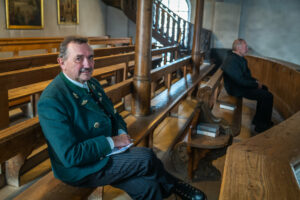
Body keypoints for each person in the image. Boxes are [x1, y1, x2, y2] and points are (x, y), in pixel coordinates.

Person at [38, 36, 206, 200]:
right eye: (78, 59)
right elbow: (70, 155)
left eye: (90, 58)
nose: (87, 65)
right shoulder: (53, 99)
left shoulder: (91, 83)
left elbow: (114, 115)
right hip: (83, 168)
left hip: (107, 153)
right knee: (146, 157)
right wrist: (113, 141)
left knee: (149, 187)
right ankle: (176, 186)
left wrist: (120, 133)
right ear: (61, 62)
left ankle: (170, 187)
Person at [221, 38, 273, 133]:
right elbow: (240, 80)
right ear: (238, 48)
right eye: (246, 47)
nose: (247, 49)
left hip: (240, 86)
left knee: (265, 89)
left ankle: (258, 120)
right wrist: (254, 85)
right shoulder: (232, 60)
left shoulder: (239, 58)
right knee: (268, 96)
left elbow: (246, 76)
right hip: (235, 89)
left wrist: (255, 81)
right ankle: (262, 126)